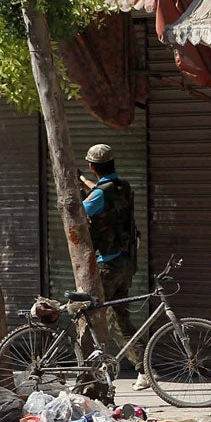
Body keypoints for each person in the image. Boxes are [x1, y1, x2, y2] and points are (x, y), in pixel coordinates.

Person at [80, 143, 148, 391]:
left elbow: (81, 210)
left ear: (92, 166)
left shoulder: (99, 194)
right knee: (119, 316)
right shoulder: (123, 187)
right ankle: (143, 368)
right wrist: (85, 183)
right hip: (127, 261)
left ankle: (90, 370)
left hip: (108, 263)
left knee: (88, 311)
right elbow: (101, 192)